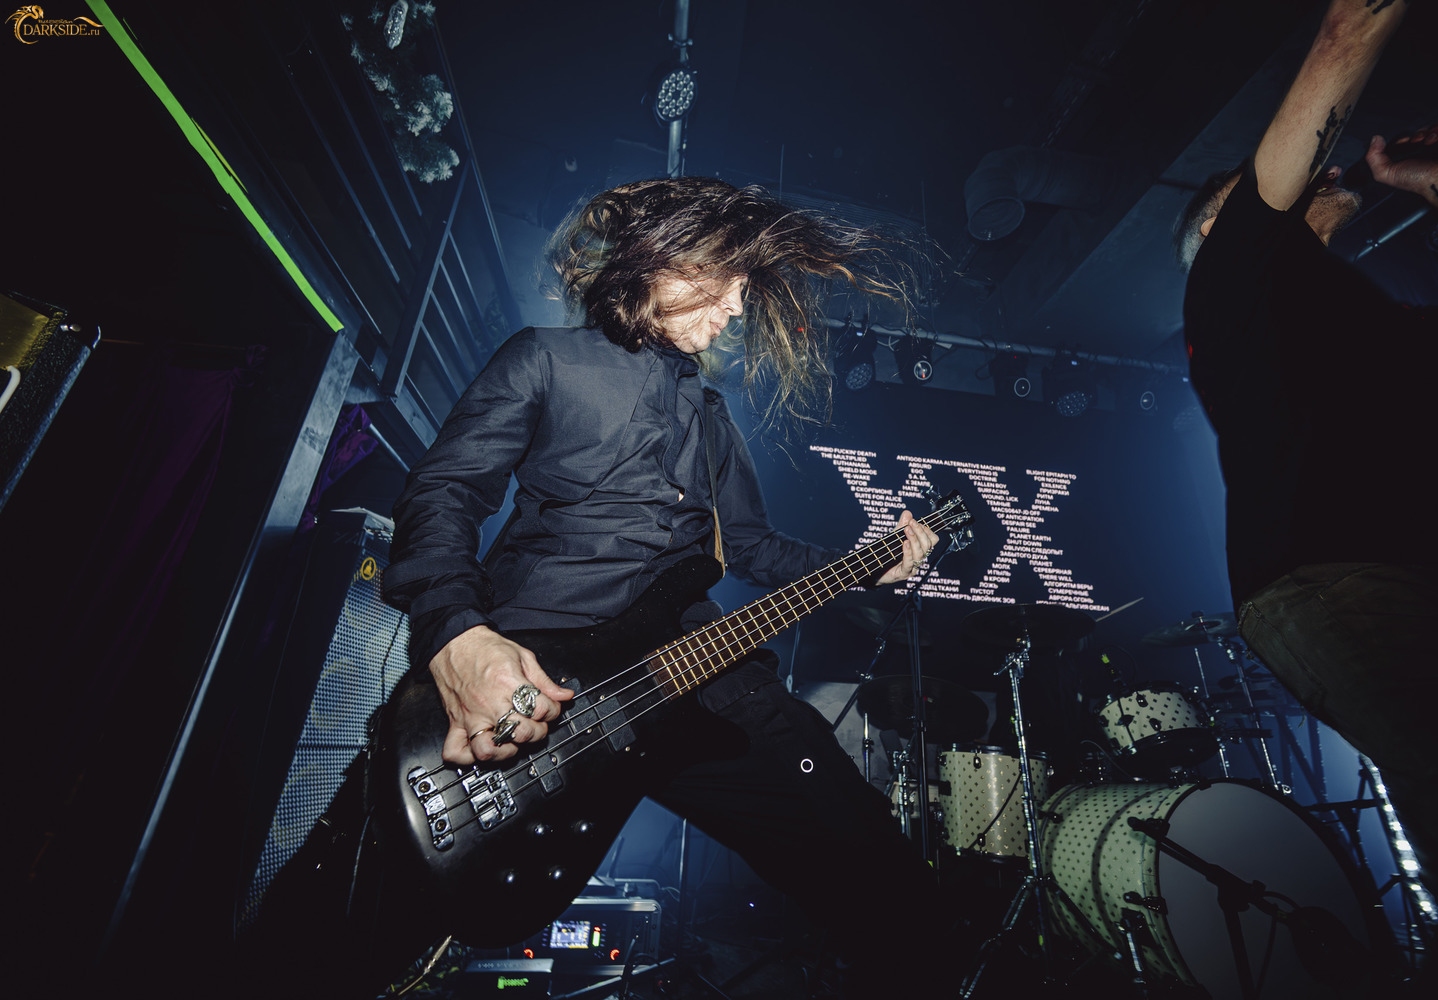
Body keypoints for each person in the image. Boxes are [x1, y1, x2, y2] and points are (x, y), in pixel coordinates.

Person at [260, 176, 948, 998]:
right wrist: (456, 635)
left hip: (700, 676)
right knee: (332, 932)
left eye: (744, 289)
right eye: (725, 278)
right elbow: (443, 493)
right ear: (662, 255)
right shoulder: (544, 359)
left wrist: (875, 560)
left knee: (882, 877)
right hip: (537, 678)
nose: (737, 307)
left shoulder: (713, 418)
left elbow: (754, 547)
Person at [1172, 1, 1438, 993]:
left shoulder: (1368, 319)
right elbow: (1344, 35)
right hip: (1341, 575)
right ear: (1221, 225)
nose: (1308, 176)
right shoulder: (1232, 273)